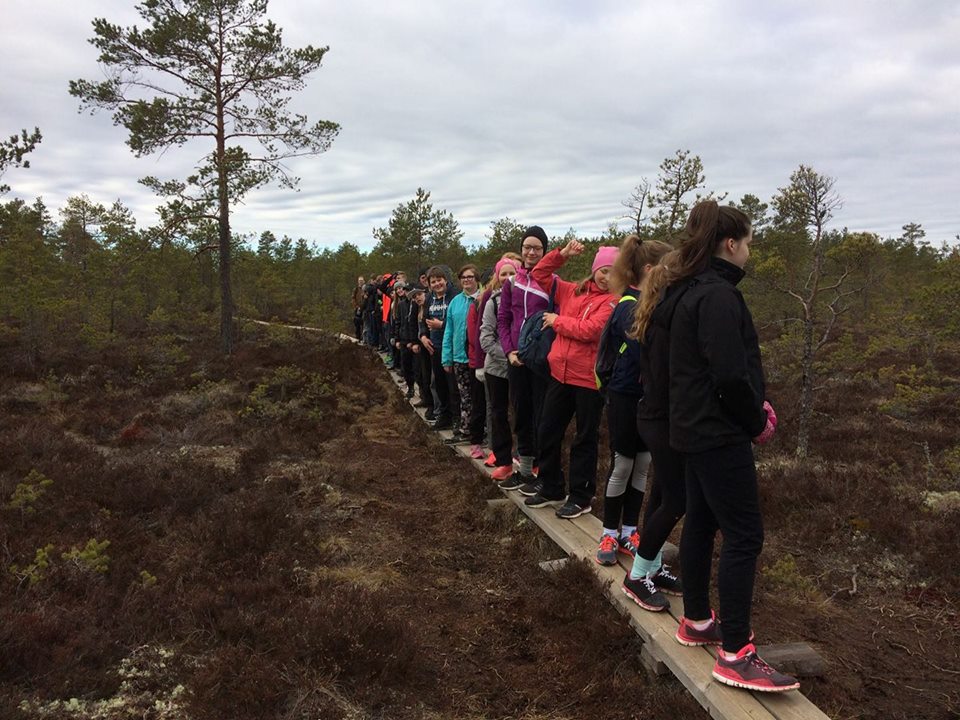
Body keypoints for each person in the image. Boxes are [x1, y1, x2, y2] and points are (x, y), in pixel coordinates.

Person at [661, 200, 798, 692]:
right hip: (719, 435)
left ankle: (697, 620)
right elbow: (729, 375)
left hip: (692, 430)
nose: (750, 253)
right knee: (745, 535)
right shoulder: (719, 296)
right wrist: (755, 419)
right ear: (731, 243)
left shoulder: (684, 291)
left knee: (701, 521)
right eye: (749, 244)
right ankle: (736, 653)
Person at [523, 240, 618, 519]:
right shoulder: (572, 291)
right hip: (560, 374)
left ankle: (580, 496)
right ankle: (551, 486)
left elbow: (591, 330)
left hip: (588, 379)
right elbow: (539, 274)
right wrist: (561, 254)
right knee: (547, 430)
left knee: (584, 438)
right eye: (604, 270)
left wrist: (556, 321)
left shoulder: (613, 301)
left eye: (614, 272)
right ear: (595, 269)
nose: (607, 277)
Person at [594, 236, 672, 566]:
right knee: (623, 464)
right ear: (650, 270)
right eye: (668, 269)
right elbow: (646, 348)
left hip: (647, 398)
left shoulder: (652, 303)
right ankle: (608, 532)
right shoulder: (629, 306)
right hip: (624, 396)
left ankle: (629, 530)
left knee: (642, 465)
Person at [496, 226, 554, 491]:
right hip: (517, 358)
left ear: (544, 251)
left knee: (543, 415)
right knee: (521, 414)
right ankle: (526, 471)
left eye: (537, 248)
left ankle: (544, 472)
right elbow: (504, 319)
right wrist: (509, 350)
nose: (531, 252)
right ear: (521, 250)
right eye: (527, 247)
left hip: (541, 359)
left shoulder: (552, 282)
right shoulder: (511, 283)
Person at [478, 257, 520, 480]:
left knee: (524, 414)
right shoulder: (492, 302)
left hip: (523, 367)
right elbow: (485, 338)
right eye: (503, 274)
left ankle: (526, 458)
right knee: (499, 414)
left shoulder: (526, 300)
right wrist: (508, 356)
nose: (507, 278)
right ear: (497, 277)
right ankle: (503, 460)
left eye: (512, 273)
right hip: (497, 369)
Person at [442, 264, 485, 455]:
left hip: (481, 358)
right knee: (464, 396)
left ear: (477, 279)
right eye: (463, 277)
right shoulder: (455, 302)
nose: (466, 280)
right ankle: (467, 430)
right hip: (459, 357)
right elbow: (449, 330)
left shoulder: (484, 299)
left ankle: (481, 431)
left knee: (480, 398)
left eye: (470, 277)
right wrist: (446, 357)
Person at [421, 266, 458, 431]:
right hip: (434, 346)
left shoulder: (454, 296)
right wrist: (423, 336)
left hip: (452, 346)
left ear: (446, 280)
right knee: (440, 383)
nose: (437, 284)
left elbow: (459, 321)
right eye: (433, 282)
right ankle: (445, 416)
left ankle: (457, 418)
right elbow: (424, 320)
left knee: (453, 385)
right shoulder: (430, 298)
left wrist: (441, 325)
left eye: (439, 280)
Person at [351, 276, 365, 340]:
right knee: (357, 323)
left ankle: (364, 337)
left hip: (364, 309)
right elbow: (353, 298)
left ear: (364, 281)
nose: (360, 282)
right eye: (359, 281)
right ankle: (358, 337)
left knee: (364, 323)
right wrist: (356, 306)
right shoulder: (356, 289)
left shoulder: (365, 289)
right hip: (357, 309)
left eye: (361, 281)